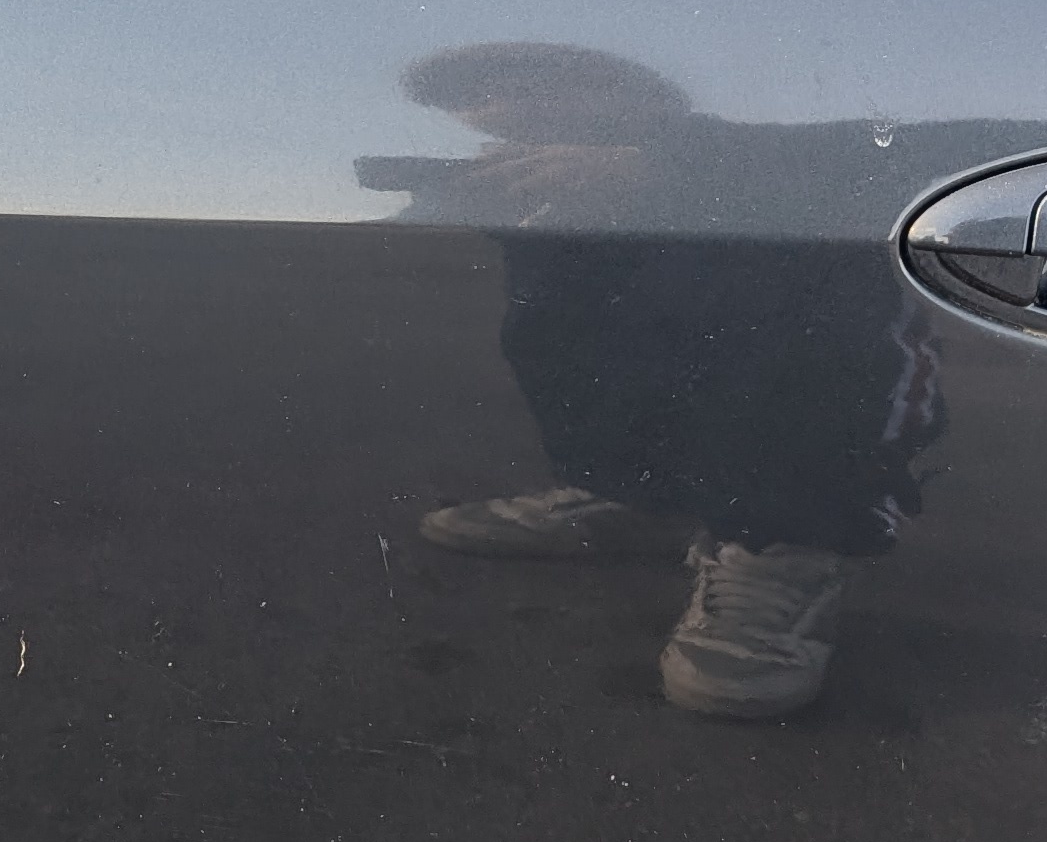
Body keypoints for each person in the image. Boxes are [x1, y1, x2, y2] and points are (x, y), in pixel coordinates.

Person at [364, 43, 1011, 723]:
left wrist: (667, 172)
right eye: (472, 98)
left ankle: (783, 543)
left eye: (522, 85)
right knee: (561, 294)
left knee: (762, 263)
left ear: (636, 93)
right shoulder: (548, 184)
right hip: (629, 349)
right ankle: (635, 494)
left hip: (808, 403)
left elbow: (987, 145)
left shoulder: (759, 147)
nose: (496, 108)